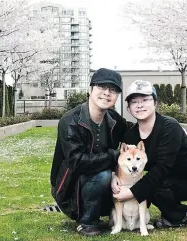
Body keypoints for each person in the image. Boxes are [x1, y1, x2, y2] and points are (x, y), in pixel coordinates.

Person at [112, 79, 187, 237]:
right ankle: (178, 216)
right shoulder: (131, 135)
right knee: (151, 184)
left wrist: (133, 192)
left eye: (145, 100)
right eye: (134, 102)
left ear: (155, 103)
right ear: (128, 108)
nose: (140, 105)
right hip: (168, 183)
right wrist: (114, 175)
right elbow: (123, 159)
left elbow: (163, 166)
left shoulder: (170, 126)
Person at [50, 68, 132, 236]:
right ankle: (87, 221)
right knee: (104, 176)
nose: (107, 93)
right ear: (90, 90)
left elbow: (135, 132)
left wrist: (165, 126)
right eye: (101, 87)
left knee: (131, 168)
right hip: (70, 187)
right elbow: (77, 162)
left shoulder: (114, 119)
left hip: (101, 180)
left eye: (113, 89)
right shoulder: (70, 121)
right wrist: (113, 157)